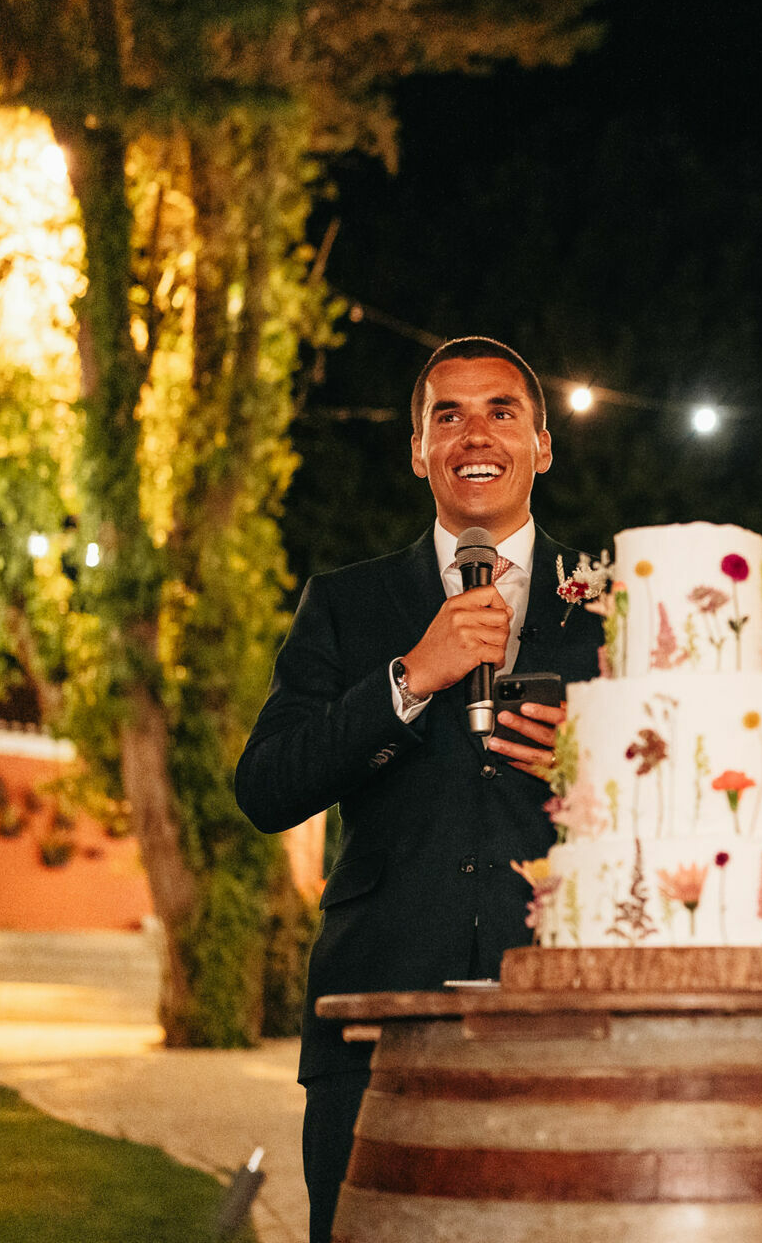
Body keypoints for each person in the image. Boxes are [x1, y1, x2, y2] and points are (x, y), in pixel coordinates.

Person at [234, 337, 600, 1243]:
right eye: (448, 414)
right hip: (376, 1017)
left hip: (564, 1022)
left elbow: (682, 799)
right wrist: (409, 678)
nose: (475, 433)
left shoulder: (614, 604)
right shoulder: (345, 604)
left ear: (542, 446)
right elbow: (267, 787)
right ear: (419, 451)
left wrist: (591, 769)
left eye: (501, 411)